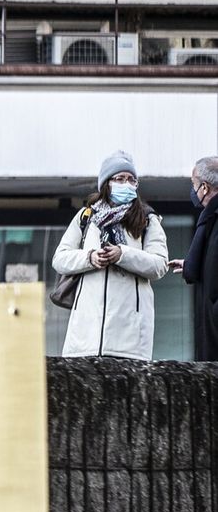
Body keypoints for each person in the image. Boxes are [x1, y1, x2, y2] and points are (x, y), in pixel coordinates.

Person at [53, 150, 170, 361]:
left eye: (131, 179)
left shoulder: (147, 219)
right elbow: (60, 259)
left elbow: (159, 265)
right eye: (120, 178)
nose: (126, 184)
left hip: (129, 339)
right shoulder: (86, 216)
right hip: (85, 338)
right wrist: (90, 258)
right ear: (107, 183)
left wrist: (122, 254)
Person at [177, 156, 218, 361]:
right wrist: (193, 265)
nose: (193, 191)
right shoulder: (212, 219)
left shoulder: (213, 218)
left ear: (204, 187)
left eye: (193, 185)